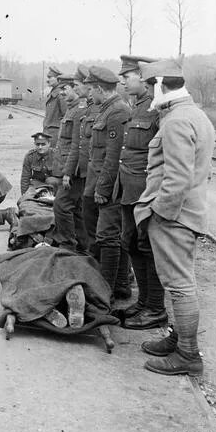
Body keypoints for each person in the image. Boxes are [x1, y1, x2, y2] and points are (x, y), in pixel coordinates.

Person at [134, 59, 215, 377]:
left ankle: (187, 355)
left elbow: (177, 178)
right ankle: (179, 338)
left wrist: (160, 214)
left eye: (149, 83)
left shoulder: (177, 121)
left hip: (174, 217)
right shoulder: (195, 115)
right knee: (179, 282)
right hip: (185, 214)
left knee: (180, 285)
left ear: (158, 85)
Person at [115, 55, 165, 330]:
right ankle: (144, 302)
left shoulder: (157, 109)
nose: (123, 80)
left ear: (143, 77)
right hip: (130, 190)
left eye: (127, 76)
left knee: (148, 247)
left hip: (146, 192)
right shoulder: (136, 106)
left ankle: (156, 308)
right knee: (132, 244)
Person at [81, 66, 131, 298]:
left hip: (109, 185)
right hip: (97, 180)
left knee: (108, 236)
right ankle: (120, 285)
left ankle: (107, 291)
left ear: (100, 88)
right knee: (109, 235)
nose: (90, 94)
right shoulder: (106, 109)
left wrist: (103, 188)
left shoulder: (118, 112)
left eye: (92, 89)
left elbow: (114, 155)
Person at [52, 70, 89, 251]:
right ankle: (83, 246)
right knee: (75, 208)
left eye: (66, 88)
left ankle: (68, 245)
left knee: (62, 205)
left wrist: (68, 171)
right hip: (66, 167)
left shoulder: (79, 111)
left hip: (73, 169)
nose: (62, 92)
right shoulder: (72, 110)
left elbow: (77, 145)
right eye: (61, 89)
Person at [20, 132, 58, 197]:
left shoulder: (56, 155)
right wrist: (24, 194)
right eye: (38, 144)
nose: (40, 147)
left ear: (49, 144)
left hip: (53, 185)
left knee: (51, 181)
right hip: (37, 184)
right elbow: (25, 178)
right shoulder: (30, 156)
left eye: (43, 144)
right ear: (34, 144)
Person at [43, 66, 68, 141]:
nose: (48, 80)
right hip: (49, 132)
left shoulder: (60, 94)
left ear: (58, 78)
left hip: (55, 134)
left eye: (50, 77)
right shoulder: (54, 92)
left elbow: (65, 115)